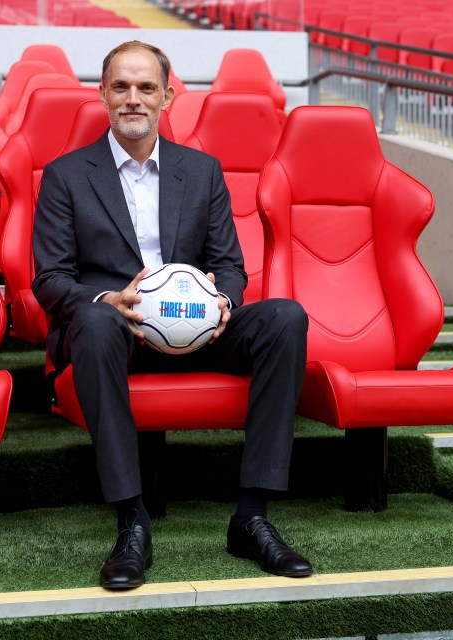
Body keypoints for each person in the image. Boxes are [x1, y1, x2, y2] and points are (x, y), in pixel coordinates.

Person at [32, 40, 312, 590]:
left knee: (286, 318)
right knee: (90, 319)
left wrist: (221, 302)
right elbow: (51, 280)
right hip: (116, 332)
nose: (133, 99)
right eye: (121, 87)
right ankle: (132, 521)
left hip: (195, 325)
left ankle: (252, 515)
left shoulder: (202, 171)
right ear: (103, 95)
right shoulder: (66, 176)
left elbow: (229, 265)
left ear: (167, 97)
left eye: (146, 88)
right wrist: (107, 300)